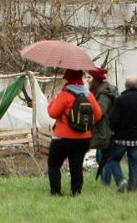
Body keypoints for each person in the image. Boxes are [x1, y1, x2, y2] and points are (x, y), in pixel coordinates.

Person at [47, 68, 103, 196]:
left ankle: (56, 193)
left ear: (68, 79)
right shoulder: (88, 95)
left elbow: (52, 113)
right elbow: (99, 115)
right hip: (84, 138)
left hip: (63, 137)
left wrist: (51, 103)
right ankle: (76, 193)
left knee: (54, 164)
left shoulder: (64, 95)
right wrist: (85, 125)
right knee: (76, 166)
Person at [106, 76, 137, 193]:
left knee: (112, 159)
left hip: (120, 138)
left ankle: (120, 180)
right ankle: (133, 188)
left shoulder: (120, 100)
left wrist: (114, 130)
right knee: (134, 164)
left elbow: (113, 120)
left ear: (126, 86)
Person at [87, 67, 119, 185]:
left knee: (105, 158)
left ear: (96, 80)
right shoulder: (101, 91)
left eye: (89, 78)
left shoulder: (104, 95)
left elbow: (99, 112)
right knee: (100, 158)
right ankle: (105, 182)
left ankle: (107, 183)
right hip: (103, 130)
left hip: (105, 131)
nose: (87, 80)